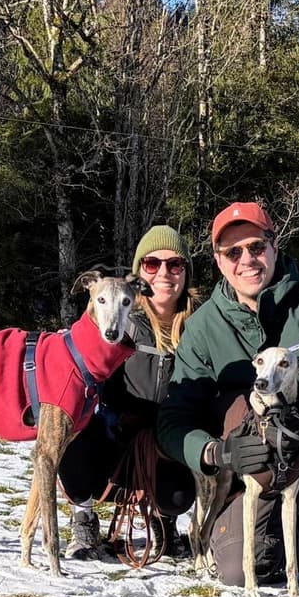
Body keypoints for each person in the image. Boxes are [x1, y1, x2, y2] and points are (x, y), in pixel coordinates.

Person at [157, 201, 299, 597]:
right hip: (249, 472)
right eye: (233, 252)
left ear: (274, 245)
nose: (246, 260)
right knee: (241, 571)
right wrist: (215, 452)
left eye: (256, 247)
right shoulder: (203, 327)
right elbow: (172, 420)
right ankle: (284, 533)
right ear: (218, 261)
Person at [60, 225, 198, 559]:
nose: (163, 273)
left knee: (178, 496)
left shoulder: (201, 325)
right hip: (116, 431)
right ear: (139, 275)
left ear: (185, 272)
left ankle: (167, 521)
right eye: (152, 264)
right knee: (72, 436)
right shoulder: (119, 320)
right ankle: (83, 517)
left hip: (168, 437)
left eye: (174, 265)